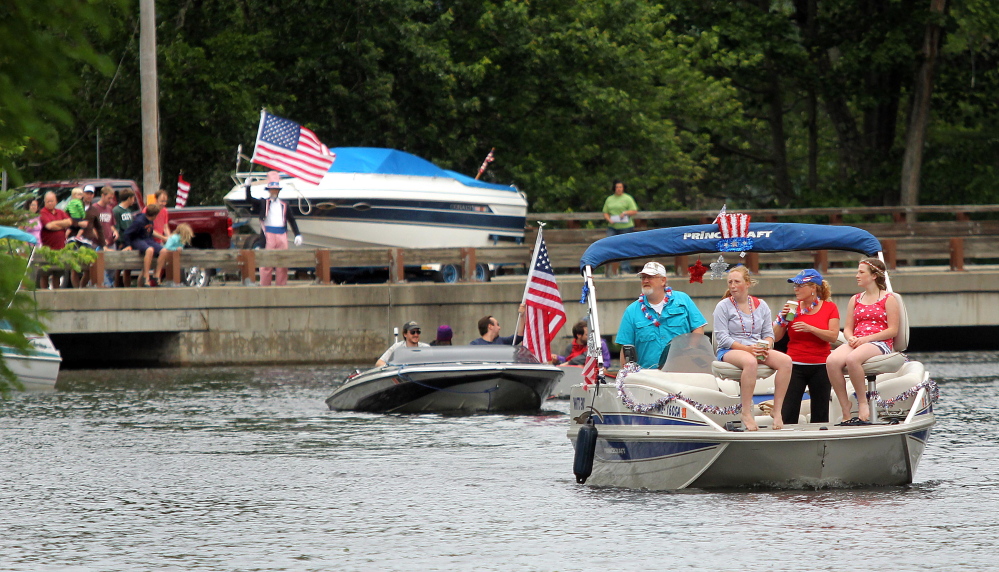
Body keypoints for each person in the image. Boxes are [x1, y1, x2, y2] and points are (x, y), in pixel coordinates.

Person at [713, 266, 792, 431]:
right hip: (730, 349)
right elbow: (722, 338)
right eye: (730, 282)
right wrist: (748, 349)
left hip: (756, 347)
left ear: (747, 284)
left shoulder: (761, 305)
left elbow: (769, 334)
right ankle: (746, 412)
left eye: (737, 282)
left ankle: (777, 411)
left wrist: (766, 345)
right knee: (750, 362)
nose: (733, 286)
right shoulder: (723, 306)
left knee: (786, 361)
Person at [826, 258, 900, 424]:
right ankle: (845, 406)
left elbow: (892, 330)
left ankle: (863, 403)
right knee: (831, 361)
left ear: (874, 276)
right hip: (857, 341)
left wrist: (866, 339)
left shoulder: (889, 299)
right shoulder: (855, 299)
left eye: (861, 272)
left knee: (853, 359)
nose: (857, 275)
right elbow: (848, 328)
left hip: (880, 342)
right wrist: (851, 337)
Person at [616, 261, 706, 370]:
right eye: (643, 277)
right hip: (648, 376)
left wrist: (691, 350)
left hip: (681, 371)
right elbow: (626, 348)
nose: (645, 281)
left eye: (650, 277)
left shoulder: (683, 299)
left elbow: (698, 328)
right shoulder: (631, 311)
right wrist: (624, 376)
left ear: (663, 280)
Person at [246, 172, 303, 286]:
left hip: (282, 234)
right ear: (269, 190)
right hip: (268, 235)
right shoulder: (264, 202)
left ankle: (281, 287)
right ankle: (265, 287)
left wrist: (297, 234)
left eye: (276, 189)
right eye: (272, 189)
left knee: (282, 263)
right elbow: (249, 199)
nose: (274, 191)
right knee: (266, 263)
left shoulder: (284, 204)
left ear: (278, 191)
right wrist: (248, 187)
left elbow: (291, 220)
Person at [123, 203, 170, 287]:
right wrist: (128, 245)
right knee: (149, 250)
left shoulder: (150, 220)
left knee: (164, 251)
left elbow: (150, 231)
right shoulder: (139, 221)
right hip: (137, 239)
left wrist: (163, 238)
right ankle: (146, 277)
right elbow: (127, 233)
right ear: (154, 215)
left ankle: (156, 276)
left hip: (147, 239)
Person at [602, 179, 639, 274]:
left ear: (623, 188)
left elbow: (634, 210)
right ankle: (610, 269)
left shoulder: (627, 198)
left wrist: (626, 213)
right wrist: (608, 219)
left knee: (625, 246)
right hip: (613, 225)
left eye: (620, 187)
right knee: (609, 245)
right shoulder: (610, 199)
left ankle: (625, 269)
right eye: (617, 187)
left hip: (625, 225)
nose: (618, 189)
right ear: (614, 188)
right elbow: (605, 212)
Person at [38, 191, 72, 289]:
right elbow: (49, 226)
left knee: (57, 274)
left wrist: (55, 224)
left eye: (52, 201)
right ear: (44, 202)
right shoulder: (43, 212)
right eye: (48, 201)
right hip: (47, 250)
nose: (50, 203)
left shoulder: (60, 212)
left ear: (56, 201)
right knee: (45, 274)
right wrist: (62, 225)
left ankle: (56, 294)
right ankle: (44, 294)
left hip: (60, 249)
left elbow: (69, 222)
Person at [112, 188, 137, 287]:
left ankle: (127, 287)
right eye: (133, 198)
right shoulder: (116, 211)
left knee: (128, 267)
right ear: (129, 198)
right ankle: (116, 285)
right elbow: (116, 227)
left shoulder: (128, 210)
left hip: (130, 241)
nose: (134, 200)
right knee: (119, 266)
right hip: (122, 241)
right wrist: (120, 241)